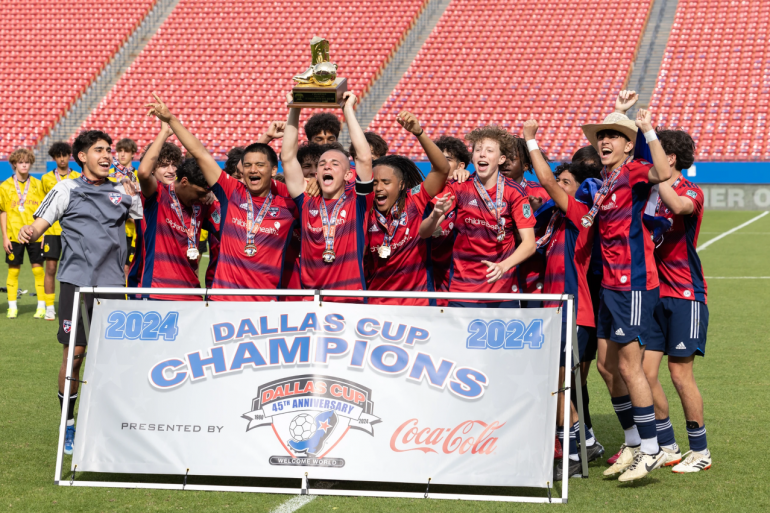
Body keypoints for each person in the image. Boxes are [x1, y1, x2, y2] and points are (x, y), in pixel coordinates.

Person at [19, 130, 141, 455]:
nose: (106, 155)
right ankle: (68, 425)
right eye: (99, 150)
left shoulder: (122, 190)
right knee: (75, 357)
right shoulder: (66, 188)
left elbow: (151, 218)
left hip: (114, 287)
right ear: (82, 157)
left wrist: (140, 193)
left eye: (109, 150)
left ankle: (108, 422)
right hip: (78, 285)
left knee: (114, 358)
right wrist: (30, 231)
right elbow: (40, 225)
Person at [580, 106, 672, 482]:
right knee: (606, 366)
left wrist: (646, 128)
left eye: (613, 135)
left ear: (628, 145)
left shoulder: (634, 171)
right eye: (601, 136)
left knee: (631, 367)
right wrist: (619, 114)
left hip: (633, 282)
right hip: (610, 285)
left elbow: (663, 172)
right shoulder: (605, 178)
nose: (604, 140)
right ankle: (634, 442)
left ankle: (652, 450)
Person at [145, 93, 299, 301]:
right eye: (247, 166)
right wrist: (171, 119)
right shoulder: (232, 192)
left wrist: (294, 110)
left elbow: (289, 160)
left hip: (264, 305)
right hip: (221, 302)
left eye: (260, 166)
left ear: (273, 170)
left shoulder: (289, 202)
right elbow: (200, 153)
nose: (253, 170)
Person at [524, 119, 603, 479]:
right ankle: (582, 443)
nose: (560, 190)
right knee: (557, 385)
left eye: (567, 185)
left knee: (557, 385)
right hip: (555, 314)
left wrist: (530, 142)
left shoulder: (578, 218)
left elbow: (547, 184)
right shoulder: (553, 222)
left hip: (575, 311)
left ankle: (578, 449)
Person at [643, 128, 711, 473]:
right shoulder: (650, 193)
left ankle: (700, 451)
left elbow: (680, 206)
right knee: (644, 371)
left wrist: (658, 182)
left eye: (656, 154)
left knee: (680, 374)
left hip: (686, 295)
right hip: (654, 294)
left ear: (669, 159)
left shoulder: (690, 191)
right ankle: (667, 445)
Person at [420, 126, 536, 307]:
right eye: (477, 150)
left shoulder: (514, 192)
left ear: (501, 159)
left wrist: (503, 266)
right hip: (463, 292)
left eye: (489, 151)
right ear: (472, 157)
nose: (482, 154)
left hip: (502, 291)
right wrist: (435, 216)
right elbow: (425, 233)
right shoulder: (459, 186)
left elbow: (529, 243)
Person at [282, 92, 373, 302]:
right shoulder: (306, 201)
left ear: (348, 174)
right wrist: (294, 108)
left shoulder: (358, 202)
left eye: (335, 164)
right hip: (311, 300)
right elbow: (287, 158)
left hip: (350, 299)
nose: (327, 166)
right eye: (322, 164)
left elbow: (364, 158)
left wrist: (347, 109)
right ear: (316, 174)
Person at [365, 112, 449, 305]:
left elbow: (442, 169)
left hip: (417, 305)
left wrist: (419, 133)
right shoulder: (364, 208)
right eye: (375, 182)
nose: (378, 188)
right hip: (375, 306)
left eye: (386, 182)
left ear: (402, 185)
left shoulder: (415, 199)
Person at [134, 121, 216, 300]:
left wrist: (212, 194)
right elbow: (143, 174)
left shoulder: (200, 200)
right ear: (154, 168)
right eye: (164, 165)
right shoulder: (156, 195)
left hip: (190, 291)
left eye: (174, 165)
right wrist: (164, 133)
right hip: (157, 289)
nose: (171, 170)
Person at [422, 136, 472, 296]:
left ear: (461, 166)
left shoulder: (470, 189)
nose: (439, 163)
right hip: (426, 277)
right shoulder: (422, 192)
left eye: (447, 160)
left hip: (458, 280)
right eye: (436, 158)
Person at [1, 148, 46, 318]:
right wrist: (5, 237)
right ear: (14, 164)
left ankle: (41, 306)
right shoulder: (5, 186)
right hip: (14, 235)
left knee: (37, 271)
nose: (24, 165)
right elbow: (3, 212)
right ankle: (12, 307)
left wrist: (43, 235)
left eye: (27, 162)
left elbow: (44, 211)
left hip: (35, 234)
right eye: (20, 162)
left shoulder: (38, 184)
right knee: (13, 271)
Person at [40, 142, 81, 320]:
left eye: (65, 155)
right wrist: (41, 233)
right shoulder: (46, 178)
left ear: (69, 156)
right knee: (50, 268)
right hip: (52, 231)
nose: (62, 158)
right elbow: (44, 208)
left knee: (78, 268)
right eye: (59, 155)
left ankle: (78, 304)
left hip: (73, 231)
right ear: (54, 158)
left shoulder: (79, 177)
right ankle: (50, 307)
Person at [112, 138, 139, 281]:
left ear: (133, 153)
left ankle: (128, 299)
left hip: (132, 231)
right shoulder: (109, 175)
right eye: (119, 151)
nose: (122, 155)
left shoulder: (139, 176)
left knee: (129, 267)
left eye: (126, 151)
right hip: (113, 229)